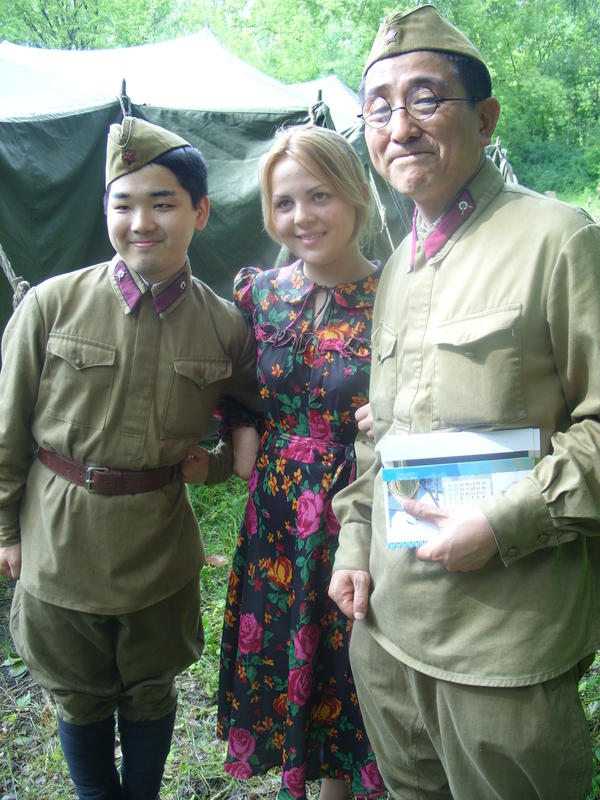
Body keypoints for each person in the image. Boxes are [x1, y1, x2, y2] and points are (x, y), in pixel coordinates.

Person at [328, 5, 600, 799]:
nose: (399, 126)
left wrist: (503, 523)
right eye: (379, 108)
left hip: (503, 650)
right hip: (388, 636)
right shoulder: (398, 266)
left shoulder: (557, 239)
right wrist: (353, 545)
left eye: (426, 98)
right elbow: (381, 437)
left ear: (484, 118)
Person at [0, 115, 259, 800]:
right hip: (60, 540)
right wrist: (5, 531)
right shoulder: (52, 305)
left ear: (200, 211)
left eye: (162, 203)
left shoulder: (224, 325)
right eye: (123, 204)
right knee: (78, 694)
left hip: (158, 546)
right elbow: (6, 428)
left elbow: (256, 409)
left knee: (150, 689)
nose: (141, 222)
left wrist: (221, 463)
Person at [215, 125, 385, 800]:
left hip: (359, 505)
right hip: (279, 513)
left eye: (319, 195)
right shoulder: (259, 295)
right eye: (284, 203)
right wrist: (240, 432)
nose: (302, 217)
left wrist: (397, 414)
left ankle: (346, 786)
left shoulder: (398, 295)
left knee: (349, 656)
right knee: (290, 646)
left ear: (356, 194)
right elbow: (233, 383)